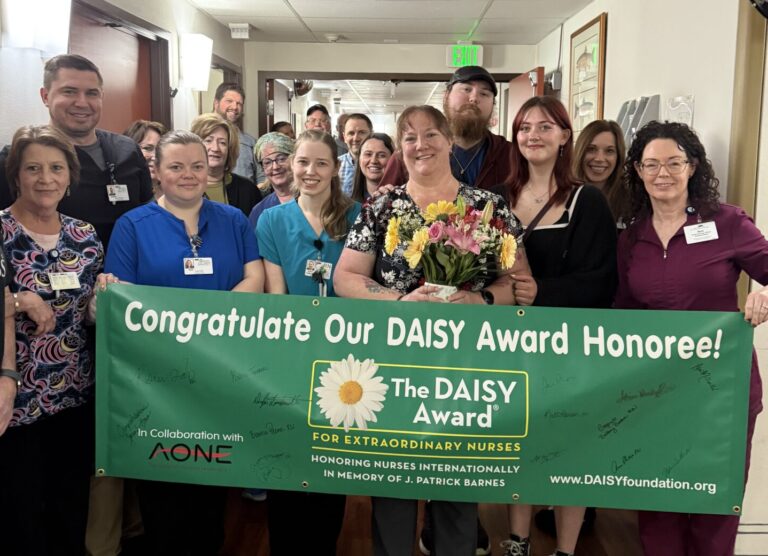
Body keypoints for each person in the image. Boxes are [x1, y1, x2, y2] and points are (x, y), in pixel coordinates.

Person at [334, 105, 522, 556]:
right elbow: (346, 278)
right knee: (394, 487)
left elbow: (514, 283)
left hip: (467, 370)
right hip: (396, 366)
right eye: (410, 137)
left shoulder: (487, 206)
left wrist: (480, 300)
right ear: (400, 147)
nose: (421, 145)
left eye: (432, 134)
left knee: (457, 486)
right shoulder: (382, 206)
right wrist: (399, 301)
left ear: (449, 140)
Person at [104, 130, 263, 555]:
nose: (189, 174)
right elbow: (123, 299)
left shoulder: (233, 220)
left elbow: (255, 278)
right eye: (176, 166)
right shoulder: (132, 226)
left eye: (197, 165)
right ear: (156, 171)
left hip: (221, 371)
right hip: (157, 381)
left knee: (213, 488)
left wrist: (208, 327)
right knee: (163, 494)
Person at [615, 120, 768, 556]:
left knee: (714, 500)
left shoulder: (728, 222)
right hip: (655, 390)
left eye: (674, 163)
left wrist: (764, 293)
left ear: (693, 166)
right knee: (657, 498)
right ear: (638, 171)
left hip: (722, 388)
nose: (662, 173)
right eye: (651, 164)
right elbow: (622, 313)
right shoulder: (632, 237)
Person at [499, 96, 617, 556]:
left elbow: (602, 281)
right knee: (520, 446)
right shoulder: (495, 198)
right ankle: (518, 541)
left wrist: (542, 292)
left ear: (565, 135)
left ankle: (565, 550)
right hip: (509, 348)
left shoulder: (588, 202)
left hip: (570, 351)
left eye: (545, 126)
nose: (534, 135)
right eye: (525, 127)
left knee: (572, 450)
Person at [0, 124, 107, 556]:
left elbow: (87, 313)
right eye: (33, 169)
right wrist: (16, 300)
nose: (46, 178)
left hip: (74, 395)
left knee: (70, 509)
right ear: (16, 175)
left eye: (56, 168)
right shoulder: (1, 231)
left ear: (69, 175)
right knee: (20, 516)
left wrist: (107, 298)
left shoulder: (85, 237)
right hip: (15, 402)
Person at [257, 130, 360, 553]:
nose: (310, 171)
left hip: (344, 355)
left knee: (329, 461)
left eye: (321, 163)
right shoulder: (271, 221)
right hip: (291, 353)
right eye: (302, 162)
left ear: (335, 169)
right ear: (291, 165)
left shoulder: (357, 217)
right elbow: (276, 293)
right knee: (286, 453)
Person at [380, 66, 512, 190]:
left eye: (484, 93)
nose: (474, 98)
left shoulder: (509, 155)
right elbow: (384, 199)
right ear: (446, 96)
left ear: (493, 104)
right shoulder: (411, 152)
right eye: (466, 89)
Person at [190, 112, 262, 216]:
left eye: (222, 143)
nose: (215, 148)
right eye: (208, 140)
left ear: (230, 149)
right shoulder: (182, 186)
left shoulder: (248, 190)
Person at [572, 119, 627, 220]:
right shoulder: (562, 195)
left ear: (618, 157)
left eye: (609, 151)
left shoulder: (632, 201)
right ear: (580, 151)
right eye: (591, 149)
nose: (599, 159)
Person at [213, 82, 263, 185]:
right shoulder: (198, 139)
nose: (235, 107)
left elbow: (262, 180)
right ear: (216, 103)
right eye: (229, 101)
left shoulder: (251, 143)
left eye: (239, 103)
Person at [248, 131, 296, 232]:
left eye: (281, 159)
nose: (275, 167)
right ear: (262, 168)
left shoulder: (311, 199)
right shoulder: (259, 211)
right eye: (267, 162)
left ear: (294, 160)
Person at [124, 119, 168, 198]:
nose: (155, 156)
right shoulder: (120, 191)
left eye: (161, 150)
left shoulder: (176, 194)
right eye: (147, 148)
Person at [350, 132, 394, 203]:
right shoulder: (349, 205)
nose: (374, 161)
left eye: (381, 155)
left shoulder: (403, 199)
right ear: (359, 159)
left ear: (392, 159)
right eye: (368, 154)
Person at [338, 113, 373, 195]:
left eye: (362, 132)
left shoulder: (381, 165)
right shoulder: (335, 165)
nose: (356, 138)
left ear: (371, 135)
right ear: (344, 137)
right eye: (351, 133)